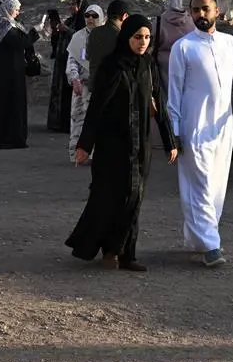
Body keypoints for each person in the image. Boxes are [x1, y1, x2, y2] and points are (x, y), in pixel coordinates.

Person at [166, 0, 233, 268]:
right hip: (193, 127)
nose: (200, 14)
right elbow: (173, 93)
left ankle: (197, 239)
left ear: (216, 12)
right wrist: (173, 131)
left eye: (205, 9)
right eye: (195, 10)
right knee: (199, 185)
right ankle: (211, 245)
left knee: (216, 189)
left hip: (222, 129)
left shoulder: (230, 43)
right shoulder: (183, 47)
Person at [67, 14, 179, 271]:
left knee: (135, 197)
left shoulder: (148, 65)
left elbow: (159, 103)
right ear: (127, 37)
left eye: (147, 37)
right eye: (138, 37)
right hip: (113, 144)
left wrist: (169, 140)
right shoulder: (112, 67)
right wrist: (85, 145)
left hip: (141, 143)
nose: (143, 42)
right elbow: (97, 107)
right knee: (114, 197)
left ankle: (127, 253)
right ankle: (111, 250)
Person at [0, 0, 41, 150]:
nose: (18, 12)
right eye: (16, 9)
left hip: (8, 70)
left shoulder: (5, 22)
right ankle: (5, 139)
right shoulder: (2, 24)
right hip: (7, 72)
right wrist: (35, 32)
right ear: (8, 8)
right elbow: (19, 42)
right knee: (6, 103)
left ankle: (8, 138)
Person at [65, 4, 105, 158]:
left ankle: (97, 155)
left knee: (98, 121)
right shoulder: (78, 37)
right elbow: (72, 60)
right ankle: (77, 153)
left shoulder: (107, 37)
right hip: (82, 86)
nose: (90, 19)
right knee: (78, 119)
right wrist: (74, 79)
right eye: (87, 16)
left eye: (94, 16)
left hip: (100, 86)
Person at [44, 0, 85, 133]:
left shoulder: (83, 21)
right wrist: (55, 30)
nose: (71, 7)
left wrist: (67, 30)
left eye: (73, 4)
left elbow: (83, 38)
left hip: (75, 63)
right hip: (63, 61)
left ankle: (70, 123)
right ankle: (59, 122)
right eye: (70, 4)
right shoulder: (69, 20)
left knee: (71, 92)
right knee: (62, 92)